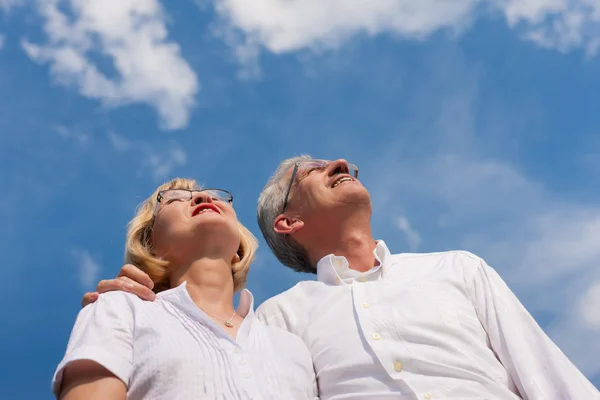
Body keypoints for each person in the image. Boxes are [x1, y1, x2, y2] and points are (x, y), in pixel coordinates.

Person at [83, 158, 600, 399]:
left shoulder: (457, 268)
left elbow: (548, 375)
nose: (342, 162)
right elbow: (221, 355)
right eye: (309, 170)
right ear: (287, 222)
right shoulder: (279, 322)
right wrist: (135, 301)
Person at [54, 178, 317, 400]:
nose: (202, 198)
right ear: (150, 244)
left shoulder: (292, 343)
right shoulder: (119, 308)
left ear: (238, 251)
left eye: (216, 197)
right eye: (174, 199)